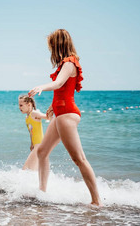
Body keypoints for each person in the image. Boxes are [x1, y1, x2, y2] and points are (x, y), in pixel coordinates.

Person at [28, 29, 102, 206]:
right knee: (42, 151)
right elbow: (63, 91)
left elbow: (59, 83)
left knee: (79, 159)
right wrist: (53, 106)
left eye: (51, 46)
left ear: (58, 44)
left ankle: (97, 202)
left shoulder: (70, 63)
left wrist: (41, 87)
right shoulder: (64, 64)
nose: (50, 50)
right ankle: (42, 192)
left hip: (67, 115)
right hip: (60, 113)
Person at [18, 95, 47, 171]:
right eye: (19, 105)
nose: (19, 107)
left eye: (21, 105)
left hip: (40, 146)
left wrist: (51, 110)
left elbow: (47, 117)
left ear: (29, 104)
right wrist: (31, 144)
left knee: (25, 169)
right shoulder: (27, 118)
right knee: (34, 169)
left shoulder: (34, 113)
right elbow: (31, 133)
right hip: (36, 146)